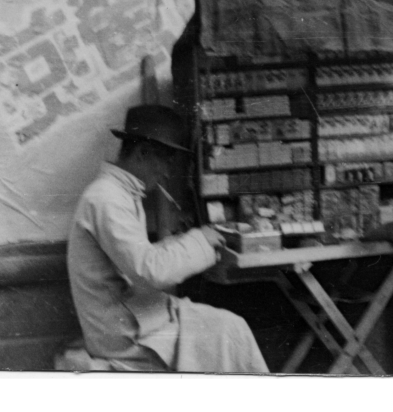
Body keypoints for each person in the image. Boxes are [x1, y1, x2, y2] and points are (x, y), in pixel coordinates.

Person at [67, 104, 269, 373]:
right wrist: (200, 239)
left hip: (134, 317)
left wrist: (190, 242)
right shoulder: (106, 199)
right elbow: (151, 270)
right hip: (123, 334)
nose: (166, 174)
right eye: (166, 162)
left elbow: (139, 260)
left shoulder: (118, 193)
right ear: (143, 153)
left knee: (231, 326)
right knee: (230, 330)